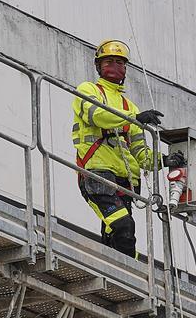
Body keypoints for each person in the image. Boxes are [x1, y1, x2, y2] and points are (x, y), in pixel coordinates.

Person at [71, 39, 184, 258]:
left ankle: (113, 272)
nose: (114, 66)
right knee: (124, 228)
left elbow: (140, 154)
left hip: (125, 182)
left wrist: (164, 160)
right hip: (97, 173)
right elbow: (97, 115)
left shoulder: (129, 106)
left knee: (117, 234)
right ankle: (130, 279)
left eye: (119, 62)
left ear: (125, 69)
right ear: (98, 67)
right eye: (108, 62)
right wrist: (133, 119)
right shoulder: (88, 90)